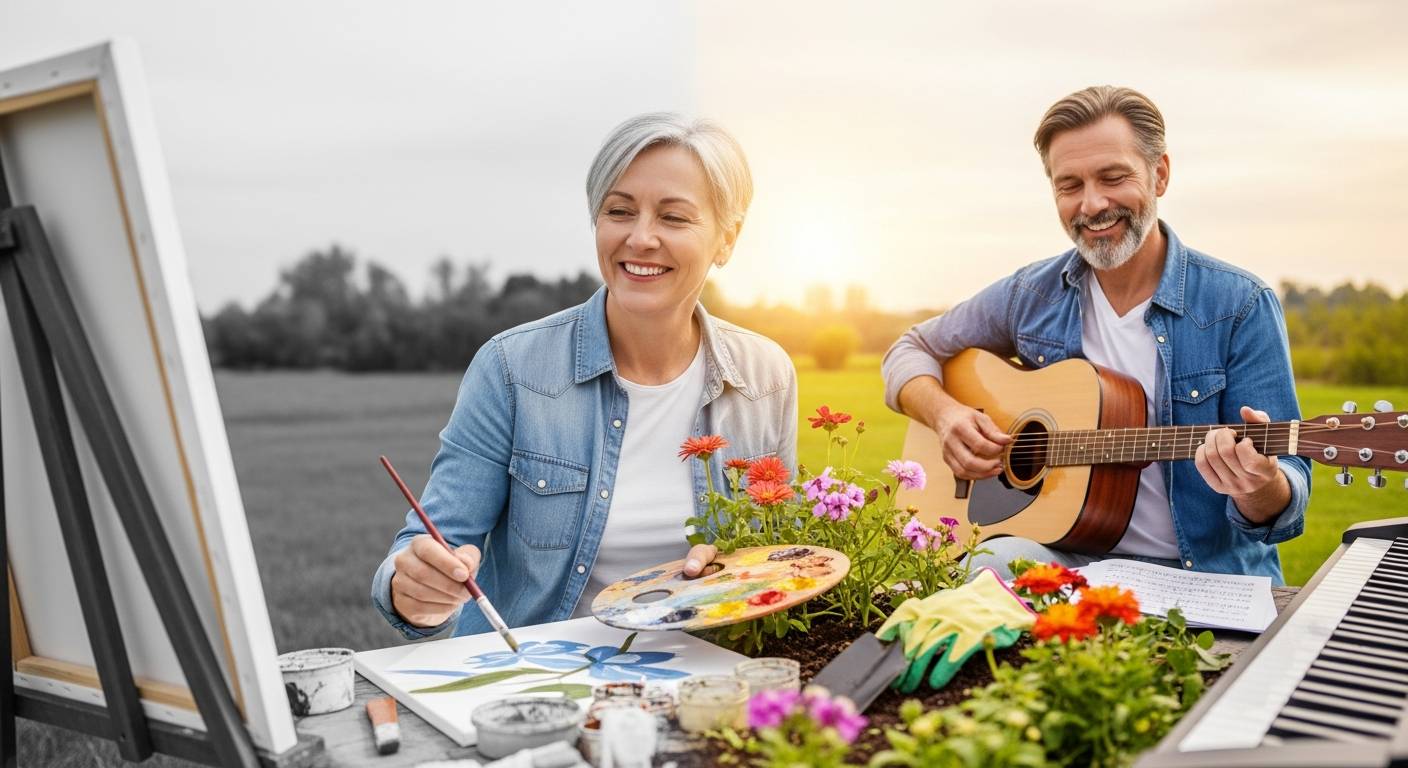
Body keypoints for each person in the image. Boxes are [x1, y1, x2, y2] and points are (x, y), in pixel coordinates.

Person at [372, 113, 797, 638]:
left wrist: (746, 571)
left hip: (707, 679)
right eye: (619, 211)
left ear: (726, 239)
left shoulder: (766, 377)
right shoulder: (512, 368)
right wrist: (414, 589)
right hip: (542, 687)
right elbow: (426, 544)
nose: (640, 238)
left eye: (674, 218)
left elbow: (785, 557)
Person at [882, 86, 1310, 583]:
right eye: (1070, 185)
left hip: (1205, 577)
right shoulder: (1031, 294)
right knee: (979, 573)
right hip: (1070, 562)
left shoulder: (1239, 304)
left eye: (1113, 177)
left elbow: (1288, 492)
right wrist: (947, 414)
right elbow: (908, 350)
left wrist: (1258, 486)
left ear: (1160, 174)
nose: (1092, 204)